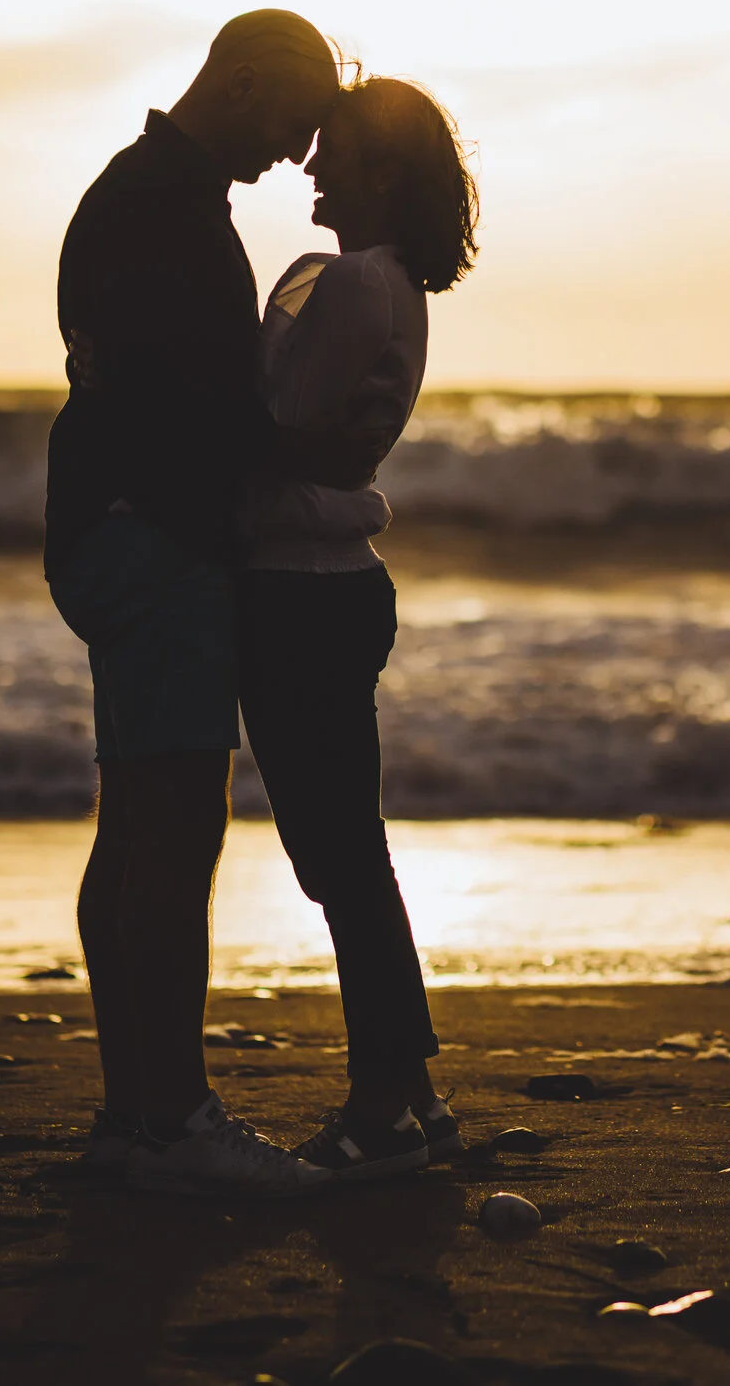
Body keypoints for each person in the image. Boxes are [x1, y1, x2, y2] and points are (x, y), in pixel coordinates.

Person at [43, 10, 347, 1197]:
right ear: (245, 78)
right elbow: (186, 409)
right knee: (175, 827)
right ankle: (170, 1117)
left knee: (136, 824)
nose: (293, 151)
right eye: (291, 118)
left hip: (111, 531)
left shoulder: (143, 194)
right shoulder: (159, 211)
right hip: (151, 538)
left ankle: (134, 1114)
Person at [236, 77, 477, 1185]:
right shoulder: (396, 289)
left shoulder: (351, 289)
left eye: (333, 153)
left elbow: (281, 431)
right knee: (347, 849)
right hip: (334, 585)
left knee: (338, 853)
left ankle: (385, 1100)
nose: (311, 169)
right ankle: (410, 1093)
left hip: (301, 585)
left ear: (384, 172)